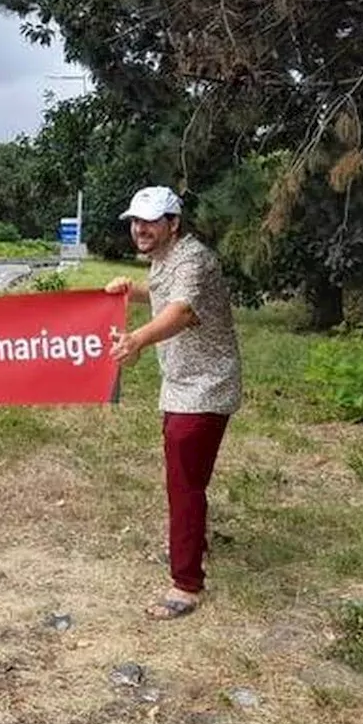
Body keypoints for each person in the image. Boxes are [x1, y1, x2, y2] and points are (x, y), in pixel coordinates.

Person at [105, 185, 242, 620]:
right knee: (187, 477)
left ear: (174, 223)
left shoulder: (194, 259)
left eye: (150, 221)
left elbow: (182, 311)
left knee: (183, 482)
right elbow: (167, 295)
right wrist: (133, 289)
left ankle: (186, 584)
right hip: (180, 383)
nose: (139, 229)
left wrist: (137, 339)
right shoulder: (166, 258)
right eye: (135, 221)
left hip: (206, 385)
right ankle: (193, 541)